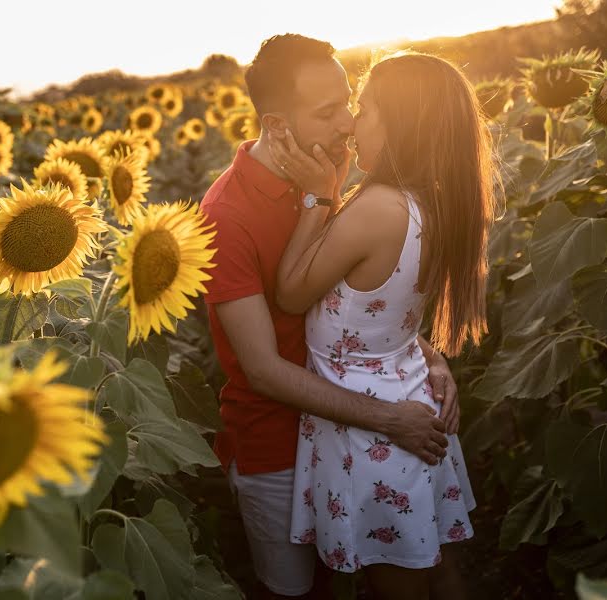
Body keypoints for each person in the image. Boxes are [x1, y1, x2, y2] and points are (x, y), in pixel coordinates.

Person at [199, 34, 460, 600]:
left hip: (353, 431)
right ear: (276, 125)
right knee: (302, 592)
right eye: (328, 112)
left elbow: (366, 305)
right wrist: (391, 419)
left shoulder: (338, 174)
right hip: (279, 446)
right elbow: (264, 371)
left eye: (350, 102)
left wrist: (428, 355)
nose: (347, 123)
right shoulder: (226, 216)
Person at [269, 50, 498, 600]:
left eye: (365, 110)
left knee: (399, 587)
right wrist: (437, 359)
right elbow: (384, 309)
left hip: (370, 426)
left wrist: (317, 198)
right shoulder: (433, 202)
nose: (351, 125)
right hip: (403, 395)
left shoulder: (376, 208)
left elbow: (291, 292)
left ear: (402, 124)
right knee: (425, 571)